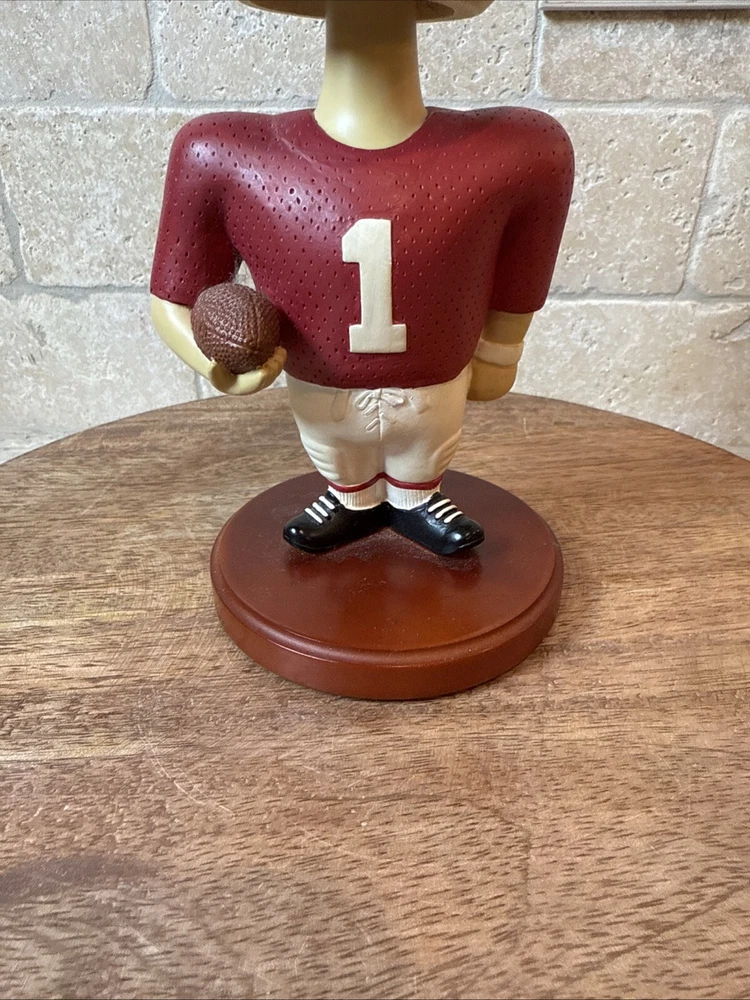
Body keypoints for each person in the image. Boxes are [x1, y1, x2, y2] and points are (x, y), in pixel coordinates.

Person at [151, 0, 574, 555]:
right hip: (321, 383)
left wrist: (500, 350)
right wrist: (217, 359)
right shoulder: (227, 155)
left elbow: (524, 255)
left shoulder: (511, 152)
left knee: (425, 449)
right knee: (338, 453)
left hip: (434, 382)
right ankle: (350, 497)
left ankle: (417, 498)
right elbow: (175, 297)